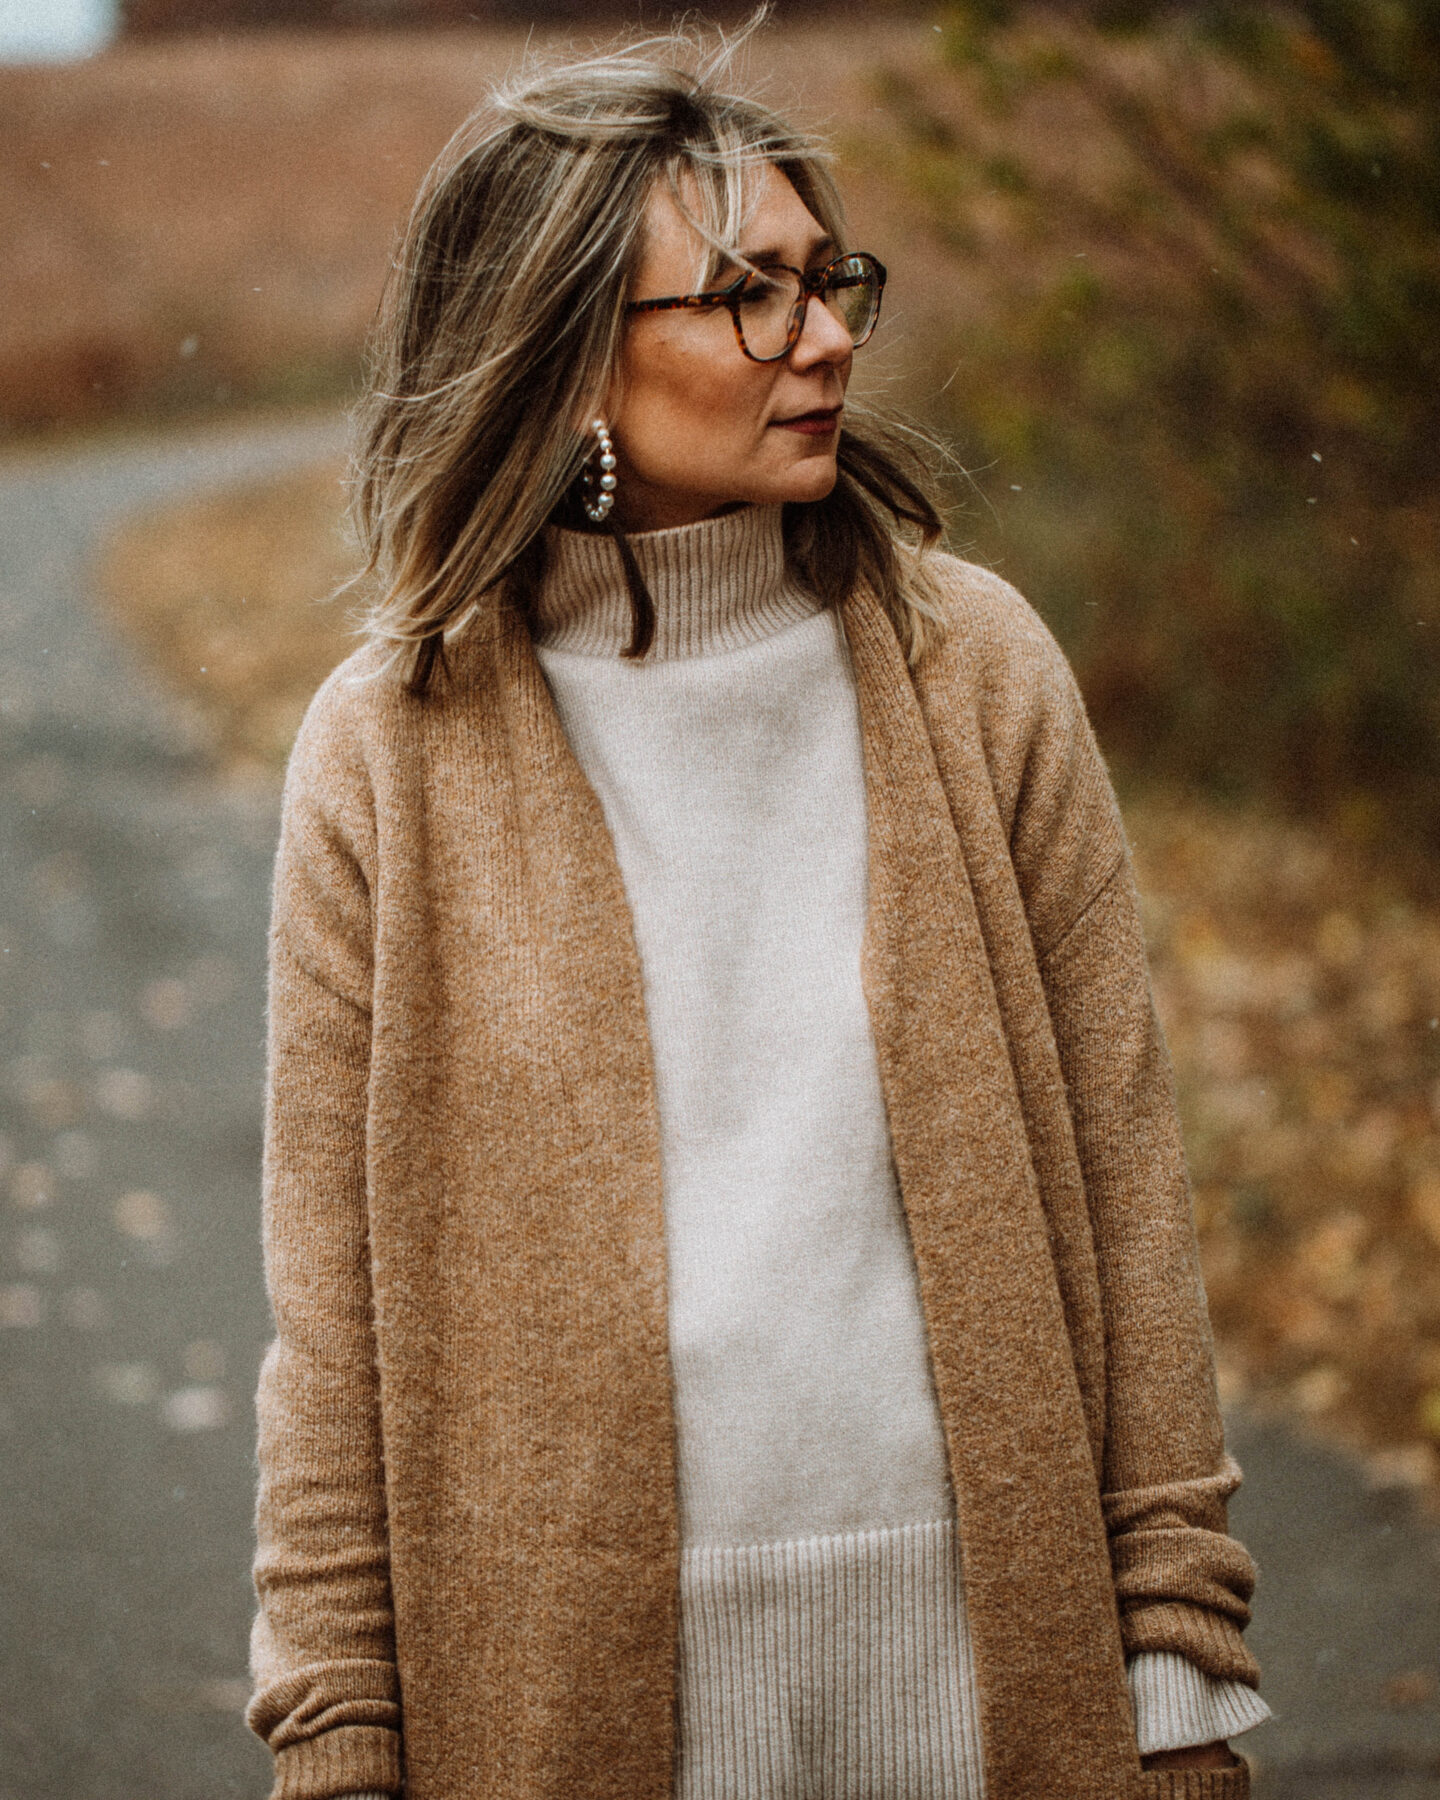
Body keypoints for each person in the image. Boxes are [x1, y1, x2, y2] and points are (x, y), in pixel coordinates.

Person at [245, 26, 1270, 1800]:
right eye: (748, 297)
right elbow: (333, 1316)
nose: (828, 337)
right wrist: (337, 1722)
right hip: (568, 1699)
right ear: (569, 358)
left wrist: (1176, 1651)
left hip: (986, 1664)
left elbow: (1123, 1179)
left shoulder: (979, 672)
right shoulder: (388, 753)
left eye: (827, 278)